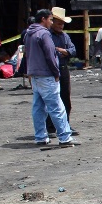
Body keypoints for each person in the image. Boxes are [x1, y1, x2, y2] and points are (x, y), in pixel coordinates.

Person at [24, 9, 73, 148]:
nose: (52, 22)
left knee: (38, 107)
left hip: (35, 75)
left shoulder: (28, 33)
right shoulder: (44, 34)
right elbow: (50, 56)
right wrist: (56, 73)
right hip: (46, 75)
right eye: (51, 19)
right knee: (57, 107)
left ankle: (40, 136)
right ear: (44, 19)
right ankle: (65, 137)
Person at [47, 7, 78, 135]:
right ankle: (50, 127)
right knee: (52, 99)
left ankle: (66, 125)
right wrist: (62, 51)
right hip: (50, 70)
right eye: (59, 23)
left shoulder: (65, 36)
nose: (61, 26)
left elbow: (73, 50)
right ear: (52, 22)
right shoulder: (47, 35)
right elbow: (51, 52)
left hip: (64, 69)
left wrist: (62, 51)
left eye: (62, 24)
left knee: (66, 99)